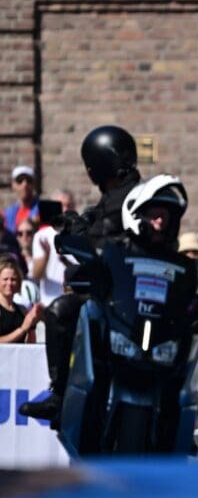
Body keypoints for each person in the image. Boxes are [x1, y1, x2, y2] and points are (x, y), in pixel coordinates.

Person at [19, 124, 143, 422]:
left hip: (119, 299)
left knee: (60, 311)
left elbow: (107, 239)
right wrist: (77, 222)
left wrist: (77, 233)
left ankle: (59, 396)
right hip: (126, 296)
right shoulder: (123, 193)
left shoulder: (125, 198)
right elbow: (102, 227)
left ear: (97, 164)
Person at [30, 190, 78, 307]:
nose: (65, 209)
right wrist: (45, 256)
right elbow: (36, 275)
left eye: (69, 205)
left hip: (75, 302)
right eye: (62, 205)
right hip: (50, 303)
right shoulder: (42, 236)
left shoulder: (80, 235)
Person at [0, 257, 42, 343]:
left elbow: (30, 345)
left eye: (13, 279)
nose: (9, 283)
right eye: (5, 279)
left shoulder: (22, 310)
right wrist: (22, 329)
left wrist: (32, 326)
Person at [4, 165, 39, 235]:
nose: (24, 184)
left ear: (34, 184)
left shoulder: (44, 209)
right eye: (19, 180)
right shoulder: (7, 214)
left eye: (29, 180)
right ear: (13, 184)